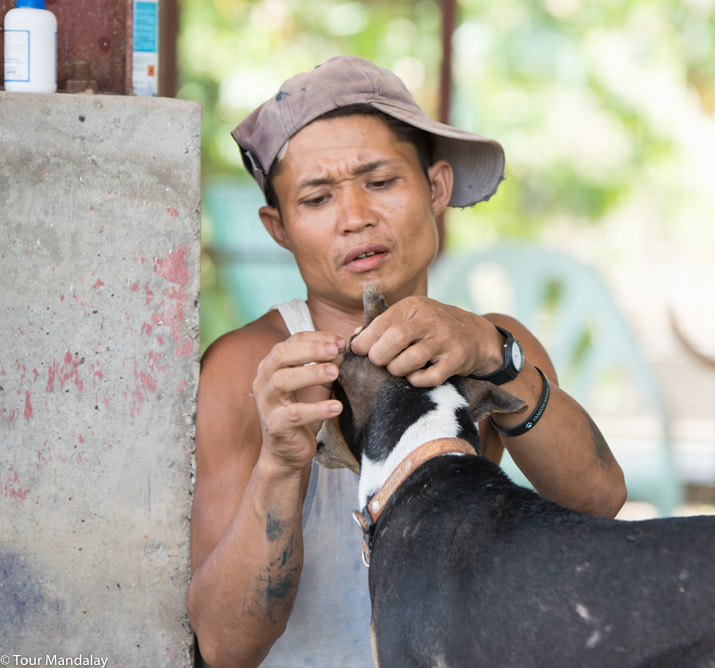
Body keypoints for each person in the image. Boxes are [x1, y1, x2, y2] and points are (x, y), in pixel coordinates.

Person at [186, 55, 627, 667]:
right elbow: (226, 647)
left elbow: (598, 502)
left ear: (436, 187)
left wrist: (500, 359)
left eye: (382, 181)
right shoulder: (252, 369)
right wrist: (280, 463)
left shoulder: (494, 347)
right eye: (316, 199)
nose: (355, 218)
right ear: (278, 227)